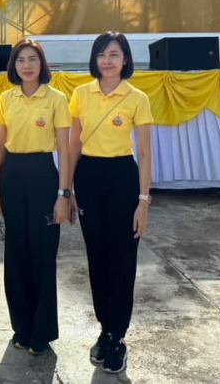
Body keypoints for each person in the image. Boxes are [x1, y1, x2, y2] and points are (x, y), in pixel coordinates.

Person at [68, 31, 153, 375]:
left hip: (122, 178)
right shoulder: (80, 94)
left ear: (126, 59)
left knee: (123, 257)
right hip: (88, 176)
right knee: (97, 256)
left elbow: (145, 153)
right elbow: (73, 145)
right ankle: (105, 328)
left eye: (114, 54)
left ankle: (118, 336)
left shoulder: (137, 97)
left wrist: (143, 200)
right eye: (102, 54)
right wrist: (68, 190)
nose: (107, 60)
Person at [0, 39, 71, 356]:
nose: (26, 65)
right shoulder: (6, 98)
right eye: (21, 60)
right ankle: (21, 327)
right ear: (14, 66)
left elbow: (64, 150)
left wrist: (64, 194)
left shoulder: (56, 99)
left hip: (43, 177)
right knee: (16, 254)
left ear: (42, 64)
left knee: (42, 253)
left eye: (32, 59)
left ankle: (42, 331)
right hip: (12, 176)